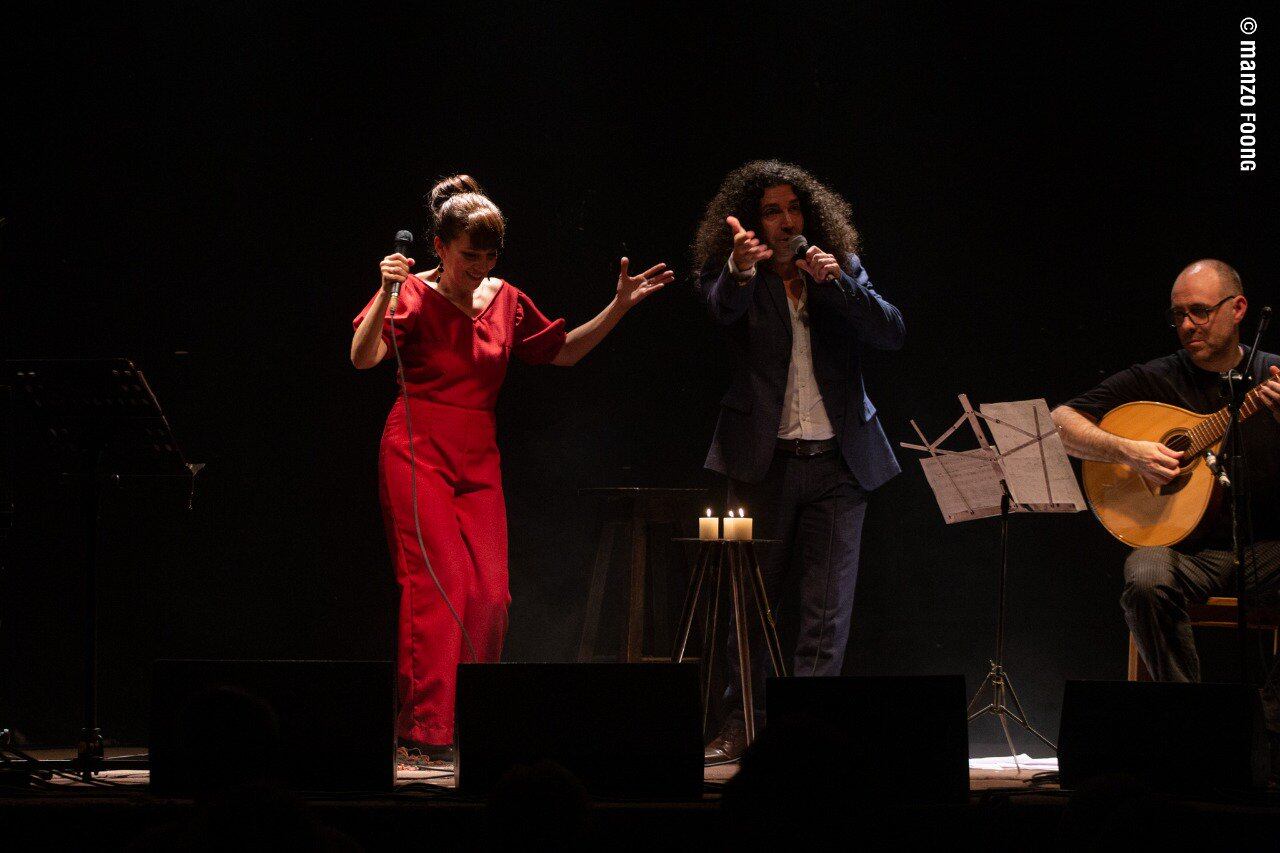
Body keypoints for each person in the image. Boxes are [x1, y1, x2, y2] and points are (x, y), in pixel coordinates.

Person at [351, 175, 673, 760]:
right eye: (468, 254)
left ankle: (472, 722)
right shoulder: (412, 294)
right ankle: (422, 733)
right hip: (417, 445)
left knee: (492, 597)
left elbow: (564, 350)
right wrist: (383, 292)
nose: (479, 265)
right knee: (440, 584)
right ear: (440, 247)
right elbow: (363, 356)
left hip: (478, 452)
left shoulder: (505, 298)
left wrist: (619, 307)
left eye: (489, 255)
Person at [694, 160, 905, 763]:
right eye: (772, 211)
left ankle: (806, 734)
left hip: (840, 466)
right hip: (765, 466)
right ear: (751, 223)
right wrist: (738, 268)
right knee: (751, 607)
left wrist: (839, 284)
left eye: (793, 210)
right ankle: (743, 724)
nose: (786, 222)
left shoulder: (836, 270)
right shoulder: (739, 274)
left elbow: (891, 332)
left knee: (826, 613)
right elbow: (719, 311)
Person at [1051, 259, 1280, 723]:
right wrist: (1128, 451)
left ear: (1238, 309)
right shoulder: (1157, 377)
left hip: (1266, 549)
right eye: (1178, 315)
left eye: (1199, 311)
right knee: (1144, 577)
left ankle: (1266, 727)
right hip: (1189, 554)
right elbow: (1060, 424)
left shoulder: (1272, 374)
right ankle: (1190, 722)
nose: (1187, 326)